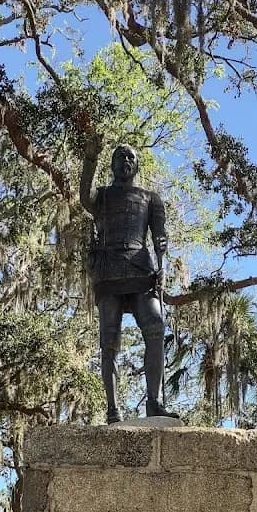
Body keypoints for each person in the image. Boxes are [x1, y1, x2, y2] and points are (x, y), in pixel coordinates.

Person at [80, 139, 180, 424]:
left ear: (136, 165)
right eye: (119, 157)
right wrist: (90, 157)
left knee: (155, 327)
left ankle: (154, 400)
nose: (124, 160)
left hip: (140, 267)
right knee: (109, 339)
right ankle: (113, 409)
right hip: (109, 267)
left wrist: (161, 261)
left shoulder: (151, 198)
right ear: (111, 165)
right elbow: (84, 197)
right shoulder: (102, 196)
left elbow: (159, 236)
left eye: (130, 157)